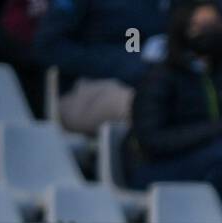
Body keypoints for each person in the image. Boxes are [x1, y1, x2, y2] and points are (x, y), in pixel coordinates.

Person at [124, 0, 222, 223]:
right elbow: (153, 141)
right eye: (200, 26)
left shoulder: (218, 75)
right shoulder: (159, 77)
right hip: (153, 167)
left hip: (205, 155)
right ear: (182, 29)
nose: (209, 33)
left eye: (215, 25)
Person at [33, 0, 171, 135]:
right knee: (150, 107)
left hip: (145, 80)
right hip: (82, 87)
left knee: (179, 99)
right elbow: (49, 47)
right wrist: (127, 61)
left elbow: (135, 38)